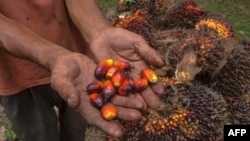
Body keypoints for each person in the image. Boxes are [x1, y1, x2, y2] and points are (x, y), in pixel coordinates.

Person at [0, 0, 164, 141]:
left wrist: (98, 29)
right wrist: (53, 57)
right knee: (38, 133)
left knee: (76, 127)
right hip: (16, 71)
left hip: (77, 62)